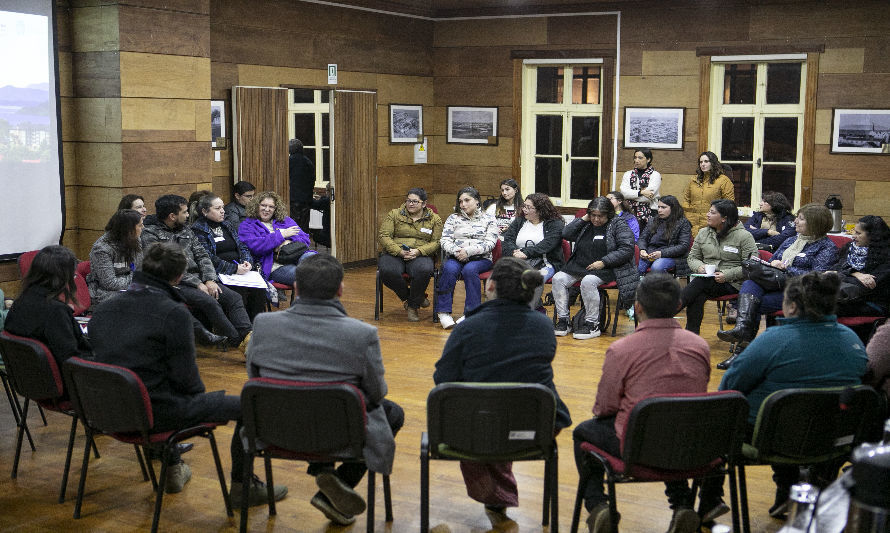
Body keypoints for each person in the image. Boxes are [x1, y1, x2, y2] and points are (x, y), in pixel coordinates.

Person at [89, 242, 286, 502]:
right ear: (179, 277)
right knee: (249, 405)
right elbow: (189, 384)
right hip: (153, 415)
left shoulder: (102, 311)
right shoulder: (173, 313)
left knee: (151, 384)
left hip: (108, 411)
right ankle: (243, 487)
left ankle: (172, 468)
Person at [245, 253, 404, 526]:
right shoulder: (362, 334)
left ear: (295, 287)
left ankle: (322, 474)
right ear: (340, 290)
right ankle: (338, 482)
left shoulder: (263, 324)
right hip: (341, 436)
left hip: (275, 429)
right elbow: (377, 394)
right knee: (393, 413)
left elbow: (254, 377)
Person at [713, 272, 867, 518]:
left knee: (720, 419)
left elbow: (730, 386)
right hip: (833, 439)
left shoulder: (774, 339)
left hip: (771, 436)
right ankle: (788, 494)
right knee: (797, 415)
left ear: (792, 306)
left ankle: (709, 501)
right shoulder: (853, 341)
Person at [433, 257, 572, 529]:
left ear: (490, 286)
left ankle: (496, 499)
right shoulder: (543, 327)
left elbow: (443, 379)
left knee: (482, 416)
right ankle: (497, 503)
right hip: (532, 430)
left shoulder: (468, 327)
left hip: (475, 429)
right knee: (502, 413)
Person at [574, 273, 715, 533]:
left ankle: (598, 507)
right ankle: (683, 505)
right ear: (677, 307)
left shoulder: (622, 349)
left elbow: (604, 407)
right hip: (689, 443)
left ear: (637, 307)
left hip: (637, 447)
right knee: (673, 420)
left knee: (583, 432)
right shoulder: (699, 346)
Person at [717, 203, 837, 367]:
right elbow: (774, 259)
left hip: (798, 291)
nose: (795, 222)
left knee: (754, 304)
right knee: (751, 282)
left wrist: (787, 268)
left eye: (801, 219)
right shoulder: (791, 240)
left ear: (815, 223)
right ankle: (744, 341)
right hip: (774, 284)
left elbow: (817, 277)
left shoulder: (827, 247)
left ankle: (742, 351)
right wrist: (774, 263)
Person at [141, 194, 252, 348]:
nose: (188, 215)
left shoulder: (186, 230)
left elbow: (202, 255)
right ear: (172, 216)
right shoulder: (150, 235)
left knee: (234, 298)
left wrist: (209, 279)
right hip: (174, 283)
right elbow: (167, 267)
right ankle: (239, 342)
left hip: (201, 279)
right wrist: (198, 283)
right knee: (210, 302)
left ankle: (248, 336)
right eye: (185, 212)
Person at [551, 197, 637, 340]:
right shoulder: (586, 222)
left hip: (607, 267)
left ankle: (592, 324)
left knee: (588, 281)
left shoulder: (618, 224)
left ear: (608, 214)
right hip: (579, 265)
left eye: (600, 216)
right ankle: (564, 320)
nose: (596, 219)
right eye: (593, 215)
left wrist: (604, 262)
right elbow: (566, 234)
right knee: (558, 278)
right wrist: (584, 218)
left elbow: (627, 249)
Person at [4, 245, 92, 367]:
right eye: (73, 276)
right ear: (62, 277)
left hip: (31, 377)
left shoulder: (20, 302)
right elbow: (71, 359)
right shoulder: (55, 311)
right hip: (67, 378)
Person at [679, 199, 756, 336]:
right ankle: (691, 336)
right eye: (709, 211)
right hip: (707, 280)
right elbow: (692, 258)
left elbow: (751, 265)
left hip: (733, 283)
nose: (707, 214)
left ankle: (671, 309)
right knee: (698, 293)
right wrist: (700, 267)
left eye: (712, 212)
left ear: (724, 219)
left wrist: (727, 275)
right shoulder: (703, 233)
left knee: (699, 285)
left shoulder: (744, 236)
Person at [191, 193, 266, 321]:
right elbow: (207, 257)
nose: (222, 211)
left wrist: (247, 261)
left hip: (240, 269)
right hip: (220, 273)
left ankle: (256, 326)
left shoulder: (227, 225)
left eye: (223, 207)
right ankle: (242, 331)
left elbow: (242, 246)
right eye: (217, 208)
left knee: (259, 289)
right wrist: (234, 268)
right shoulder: (198, 230)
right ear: (204, 211)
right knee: (239, 291)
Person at [435, 186, 499, 329]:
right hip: (456, 256)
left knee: (470, 270)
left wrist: (468, 252)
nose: (463, 204)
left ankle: (471, 313)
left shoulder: (489, 219)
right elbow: (444, 240)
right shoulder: (453, 218)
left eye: (467, 200)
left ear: (477, 201)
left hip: (481, 258)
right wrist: (458, 251)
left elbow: (490, 243)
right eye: (460, 201)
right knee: (449, 269)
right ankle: (443, 311)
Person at [377, 187, 443, 321]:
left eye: (415, 201)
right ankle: (414, 298)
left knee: (424, 269)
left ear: (424, 203)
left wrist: (419, 251)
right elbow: (384, 236)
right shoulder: (394, 214)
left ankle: (412, 306)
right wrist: (399, 251)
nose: (410, 204)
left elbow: (437, 242)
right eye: (408, 201)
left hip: (420, 253)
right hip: (395, 252)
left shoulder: (434, 219)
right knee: (387, 271)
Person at [238, 190, 316, 287]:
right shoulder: (247, 225)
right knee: (309, 277)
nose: (267, 209)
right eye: (263, 205)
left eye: (271, 207)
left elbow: (305, 239)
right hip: (273, 265)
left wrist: (288, 241)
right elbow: (255, 247)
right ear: (256, 206)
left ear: (276, 209)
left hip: (297, 256)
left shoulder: (285, 221)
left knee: (318, 263)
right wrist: (281, 235)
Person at [501, 193, 565, 309]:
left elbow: (547, 245)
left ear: (540, 210)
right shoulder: (520, 221)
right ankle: (525, 311)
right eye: (524, 206)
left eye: (528, 207)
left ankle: (528, 313)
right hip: (519, 261)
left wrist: (525, 253)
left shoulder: (555, 224)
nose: (524, 210)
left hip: (545, 264)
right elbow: (508, 240)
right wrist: (515, 253)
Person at [831, 215, 890, 318]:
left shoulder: (886, 256)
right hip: (847, 296)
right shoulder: (851, 247)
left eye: (858, 233)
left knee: (821, 307)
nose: (853, 236)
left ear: (872, 236)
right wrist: (856, 274)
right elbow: (836, 267)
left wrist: (841, 274)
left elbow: (868, 285)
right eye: (854, 231)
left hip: (872, 301)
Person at [86, 209, 144, 305]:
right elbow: (110, 283)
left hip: (131, 285)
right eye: (140, 225)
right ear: (129, 229)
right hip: (105, 292)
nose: (143, 227)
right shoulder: (102, 248)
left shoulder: (135, 239)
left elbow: (139, 268)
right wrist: (137, 277)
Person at [637, 195, 692, 277]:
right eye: (658, 207)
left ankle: (664, 288)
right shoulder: (653, 220)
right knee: (636, 269)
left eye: (663, 207)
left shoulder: (683, 223)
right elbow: (642, 238)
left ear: (673, 208)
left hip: (673, 256)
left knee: (657, 267)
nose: (659, 210)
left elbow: (683, 246)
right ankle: (643, 289)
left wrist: (662, 253)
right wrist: (642, 250)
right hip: (650, 253)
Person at [683, 151, 734, 235]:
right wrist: (688, 216)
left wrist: (718, 220)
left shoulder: (723, 180)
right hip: (692, 224)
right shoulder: (693, 180)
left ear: (713, 163)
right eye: (701, 162)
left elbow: (729, 204)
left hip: (713, 224)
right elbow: (686, 200)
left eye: (706, 161)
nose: (703, 164)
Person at [619, 148, 661, 232]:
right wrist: (641, 192)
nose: (636, 160)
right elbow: (623, 194)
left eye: (640, 158)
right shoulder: (628, 174)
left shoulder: (655, 175)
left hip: (650, 213)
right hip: (629, 211)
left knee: (645, 240)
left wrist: (631, 196)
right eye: (635, 157)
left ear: (648, 159)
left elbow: (647, 198)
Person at [288, 138, 316, 233]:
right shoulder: (308, 162)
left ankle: (295, 245)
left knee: (293, 224)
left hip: (293, 198)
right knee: (304, 225)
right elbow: (312, 179)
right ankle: (304, 244)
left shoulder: (289, 161)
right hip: (306, 199)